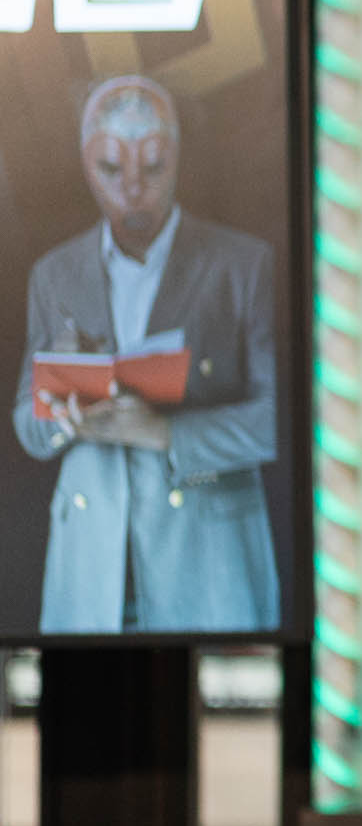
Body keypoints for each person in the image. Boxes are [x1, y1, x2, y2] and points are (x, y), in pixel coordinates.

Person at [10, 75, 279, 634]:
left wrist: (165, 434)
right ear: (86, 165)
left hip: (207, 555)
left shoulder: (242, 265)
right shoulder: (55, 274)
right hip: (92, 564)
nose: (132, 188)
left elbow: (279, 421)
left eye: (152, 167)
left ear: (177, 159)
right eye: (111, 168)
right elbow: (27, 427)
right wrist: (63, 408)